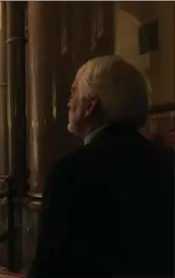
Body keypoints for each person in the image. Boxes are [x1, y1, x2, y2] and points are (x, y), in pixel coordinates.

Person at [28, 56, 174, 278]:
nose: (68, 103)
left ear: (90, 106)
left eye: (73, 93)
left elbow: (51, 268)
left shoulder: (72, 172)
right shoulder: (166, 162)